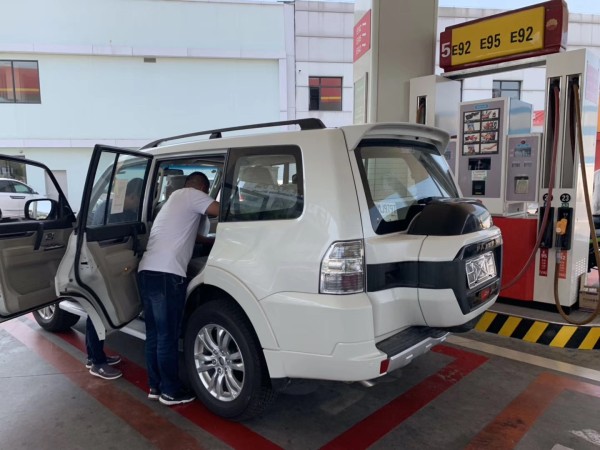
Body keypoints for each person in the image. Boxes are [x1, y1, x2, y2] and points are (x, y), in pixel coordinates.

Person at [137, 172, 219, 406]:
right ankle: (171, 391)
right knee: (168, 336)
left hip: (147, 270)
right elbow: (223, 210)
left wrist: (209, 241)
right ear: (202, 187)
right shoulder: (193, 194)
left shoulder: (173, 200)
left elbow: (187, 234)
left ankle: (156, 386)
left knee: (154, 334)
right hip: (167, 274)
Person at [86, 177, 143, 380]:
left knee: (101, 311)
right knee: (97, 312)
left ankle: (94, 356)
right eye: (139, 199)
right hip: (101, 264)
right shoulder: (109, 210)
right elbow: (102, 241)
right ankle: (97, 363)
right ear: (132, 196)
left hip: (109, 263)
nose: (140, 204)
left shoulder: (124, 211)